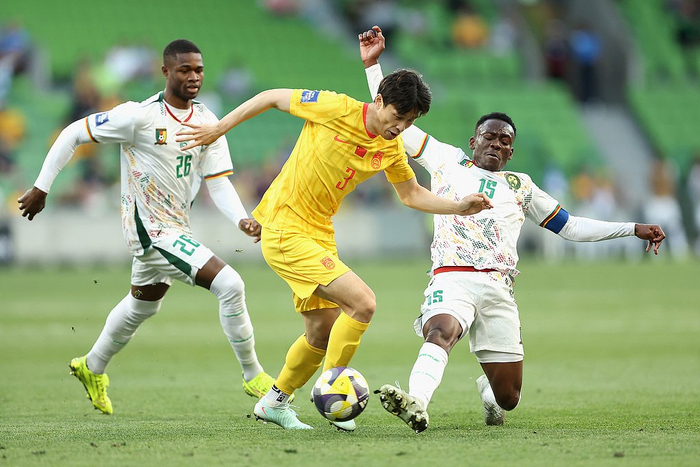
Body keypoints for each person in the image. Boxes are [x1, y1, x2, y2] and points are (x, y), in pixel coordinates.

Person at [359, 26, 666, 432]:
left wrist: (631, 228)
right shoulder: (446, 160)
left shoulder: (522, 186)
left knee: (509, 396)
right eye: (489, 137)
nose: (497, 144)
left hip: (498, 287)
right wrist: (372, 66)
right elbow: (392, 115)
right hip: (451, 276)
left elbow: (571, 228)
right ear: (473, 141)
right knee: (441, 331)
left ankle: (489, 395)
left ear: (511, 150)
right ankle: (417, 402)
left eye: (505, 141)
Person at [176, 49, 493, 431]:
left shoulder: (391, 147)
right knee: (363, 303)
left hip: (319, 233)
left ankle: (274, 402)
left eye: (410, 122)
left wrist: (458, 207)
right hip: (285, 226)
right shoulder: (335, 108)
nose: (401, 127)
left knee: (321, 332)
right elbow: (271, 97)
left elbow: (410, 194)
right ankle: (332, 392)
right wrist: (218, 129)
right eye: (398, 116)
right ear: (379, 101)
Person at [17, 39, 277, 415]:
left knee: (143, 306)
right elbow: (73, 132)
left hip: (176, 228)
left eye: (199, 70)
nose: (194, 77)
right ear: (165, 72)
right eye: (185, 70)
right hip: (150, 231)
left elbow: (218, 182)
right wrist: (41, 187)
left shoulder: (208, 122)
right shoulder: (138, 117)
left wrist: (241, 219)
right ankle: (254, 376)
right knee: (230, 285)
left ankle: (92, 366)